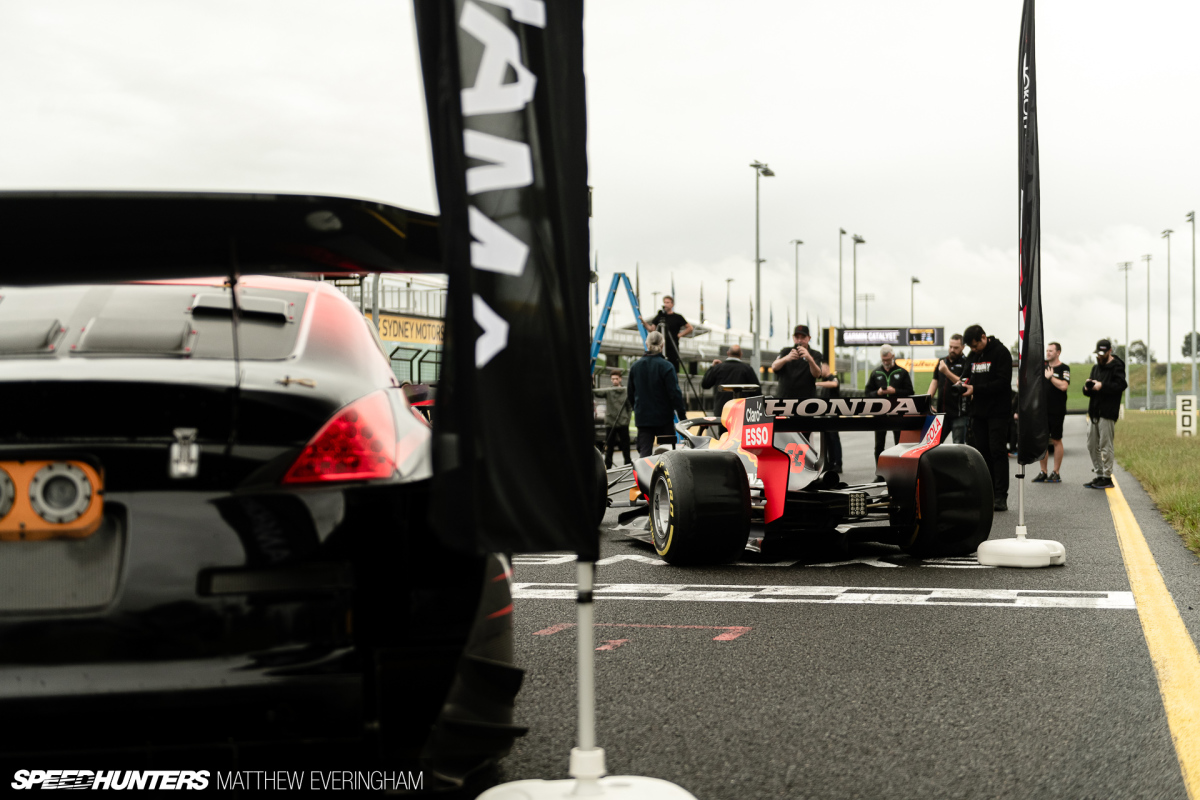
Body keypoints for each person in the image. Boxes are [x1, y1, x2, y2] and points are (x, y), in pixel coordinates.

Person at [961, 324, 1014, 511]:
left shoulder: (1001, 353)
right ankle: (988, 493)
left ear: (983, 337)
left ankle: (1001, 496)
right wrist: (962, 384)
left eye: (975, 346)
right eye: (971, 348)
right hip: (978, 413)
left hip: (998, 412)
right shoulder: (973, 356)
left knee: (997, 452)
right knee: (982, 453)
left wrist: (976, 389)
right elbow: (966, 376)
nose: (974, 350)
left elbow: (1002, 383)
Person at [628, 331, 687, 458]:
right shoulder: (667, 366)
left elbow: (630, 394)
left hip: (643, 418)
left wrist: (637, 409)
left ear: (646, 344)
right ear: (662, 345)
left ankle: (644, 477)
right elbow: (675, 393)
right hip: (664, 418)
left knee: (645, 454)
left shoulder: (635, 367)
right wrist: (682, 416)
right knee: (667, 455)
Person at [1081, 338, 1127, 489]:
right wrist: (1087, 388)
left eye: (1102, 354)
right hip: (1094, 411)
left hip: (1107, 412)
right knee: (1091, 444)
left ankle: (1107, 477)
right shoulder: (1096, 367)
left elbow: (1121, 385)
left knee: (1106, 445)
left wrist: (1102, 386)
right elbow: (1089, 390)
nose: (1100, 357)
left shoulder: (1117, 366)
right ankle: (1099, 474)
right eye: (1098, 354)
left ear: (1109, 351)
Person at [865, 344, 914, 467]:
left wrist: (895, 391)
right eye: (883, 360)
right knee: (879, 445)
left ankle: (900, 470)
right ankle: (880, 472)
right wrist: (878, 393)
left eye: (888, 359)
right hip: (880, 414)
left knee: (899, 444)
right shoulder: (876, 373)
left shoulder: (902, 372)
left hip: (897, 413)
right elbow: (867, 393)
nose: (886, 362)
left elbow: (910, 392)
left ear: (893, 356)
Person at [1033, 342, 1070, 483]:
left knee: (1056, 439)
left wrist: (1050, 377)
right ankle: (1043, 472)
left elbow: (1064, 386)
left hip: (1057, 410)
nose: (1047, 353)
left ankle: (1056, 472)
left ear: (1058, 352)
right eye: (1047, 350)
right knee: (1042, 441)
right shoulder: (1042, 367)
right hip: (1042, 410)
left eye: (1051, 351)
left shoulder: (1064, 368)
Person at [701, 344, 759, 428]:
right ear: (741, 354)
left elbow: (705, 384)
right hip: (742, 411)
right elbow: (757, 392)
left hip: (722, 410)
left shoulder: (718, 368)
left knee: (724, 436)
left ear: (728, 353)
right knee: (740, 435)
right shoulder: (747, 369)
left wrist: (712, 367)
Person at [927, 333, 970, 444]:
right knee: (933, 444)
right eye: (950, 347)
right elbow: (934, 382)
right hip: (942, 412)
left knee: (958, 446)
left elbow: (964, 383)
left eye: (956, 348)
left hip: (959, 413)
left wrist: (946, 372)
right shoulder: (942, 361)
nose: (952, 350)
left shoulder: (966, 362)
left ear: (963, 347)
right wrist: (926, 402)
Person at [771, 325, 823, 401]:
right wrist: (786, 358)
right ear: (793, 338)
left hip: (806, 399)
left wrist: (809, 359)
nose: (799, 340)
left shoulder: (815, 354)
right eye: (797, 337)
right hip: (785, 397)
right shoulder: (786, 351)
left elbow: (818, 374)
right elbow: (774, 366)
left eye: (803, 337)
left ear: (809, 338)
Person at [593, 371, 632, 468]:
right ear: (611, 379)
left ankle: (627, 465)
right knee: (609, 447)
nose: (614, 381)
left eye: (616, 379)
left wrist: (627, 419)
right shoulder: (608, 391)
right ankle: (608, 466)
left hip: (623, 422)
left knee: (625, 446)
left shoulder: (625, 391)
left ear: (620, 379)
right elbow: (597, 393)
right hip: (611, 423)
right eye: (613, 379)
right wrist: (592, 382)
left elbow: (629, 407)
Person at [645, 295, 693, 373]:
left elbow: (690, 328)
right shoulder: (660, 316)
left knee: (673, 367)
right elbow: (651, 329)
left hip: (673, 346)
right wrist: (643, 322)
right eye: (664, 302)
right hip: (661, 346)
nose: (665, 304)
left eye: (667, 302)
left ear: (672, 304)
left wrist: (680, 335)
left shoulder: (677, 317)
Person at [816, 361, 844, 473]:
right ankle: (829, 463)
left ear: (826, 368)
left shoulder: (833, 378)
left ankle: (838, 463)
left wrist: (816, 384)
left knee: (834, 438)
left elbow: (834, 384)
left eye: (820, 368)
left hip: (833, 414)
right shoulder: (824, 382)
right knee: (826, 439)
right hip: (824, 415)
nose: (819, 371)